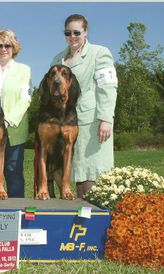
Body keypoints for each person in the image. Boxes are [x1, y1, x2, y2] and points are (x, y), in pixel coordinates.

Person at [50, 14, 118, 198]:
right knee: (63, 173)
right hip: (63, 124)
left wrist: (106, 118)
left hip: (91, 124)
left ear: (86, 32)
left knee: (89, 175)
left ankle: (91, 222)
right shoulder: (58, 59)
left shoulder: (100, 53)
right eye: (68, 32)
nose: (72, 36)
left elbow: (108, 87)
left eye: (77, 32)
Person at [0, 29, 32, 198]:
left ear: (14, 47)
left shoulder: (24, 70)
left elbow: (25, 99)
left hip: (14, 130)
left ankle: (16, 212)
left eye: (7, 45)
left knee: (13, 171)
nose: (3, 49)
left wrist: (7, 121)